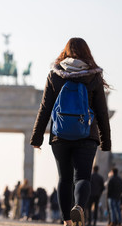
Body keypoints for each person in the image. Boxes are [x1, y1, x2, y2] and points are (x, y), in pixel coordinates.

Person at [30, 37, 112, 226]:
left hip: (60, 135)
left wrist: (37, 138)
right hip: (87, 134)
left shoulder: (55, 74)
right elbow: (101, 112)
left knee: (64, 179)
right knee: (83, 176)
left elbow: (45, 108)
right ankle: (79, 208)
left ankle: (67, 221)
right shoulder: (93, 76)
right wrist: (105, 141)